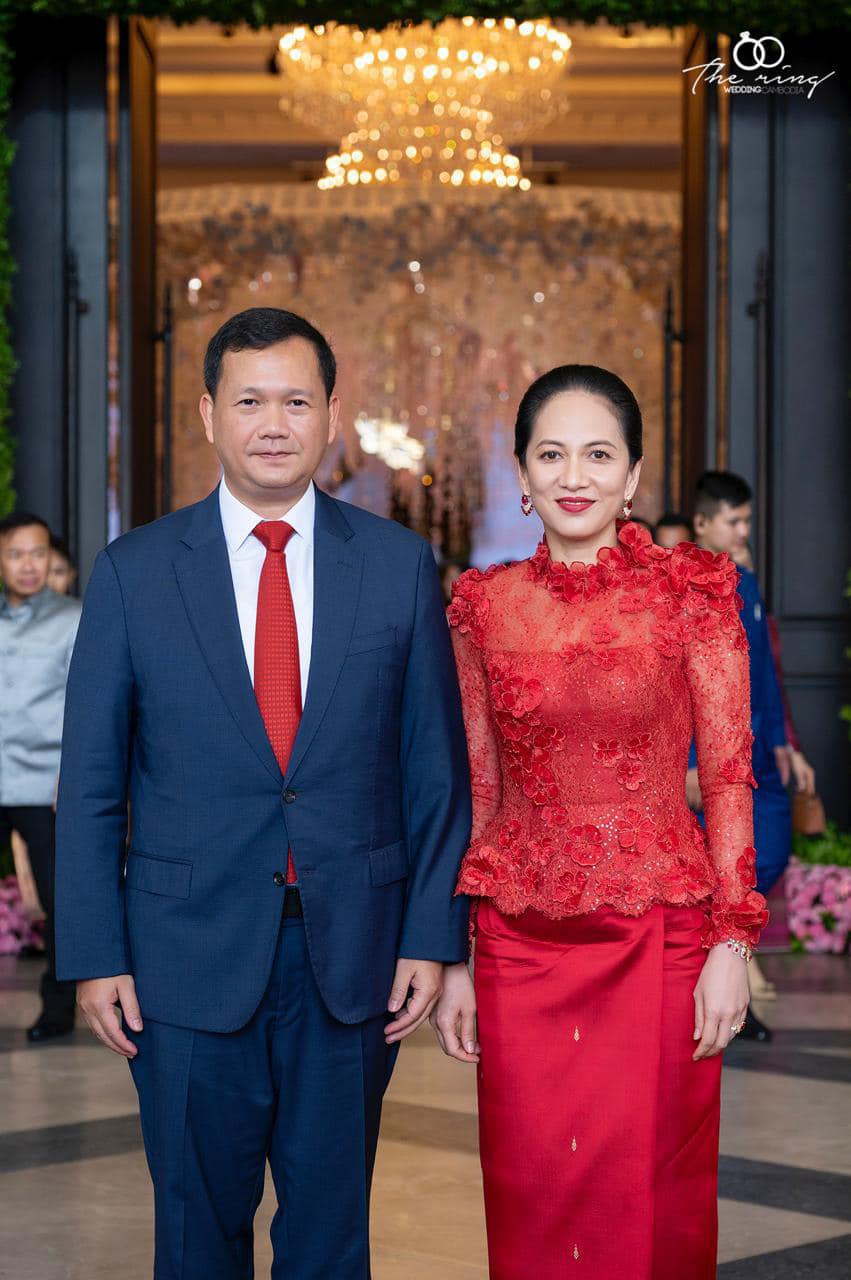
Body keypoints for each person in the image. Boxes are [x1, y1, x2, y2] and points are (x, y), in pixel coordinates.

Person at [55, 307, 472, 1279]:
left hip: (353, 958)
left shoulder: (397, 566)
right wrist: (95, 954)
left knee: (331, 1238)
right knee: (195, 1234)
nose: (273, 424)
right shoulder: (135, 572)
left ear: (332, 415)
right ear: (208, 414)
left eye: (296, 400)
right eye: (249, 401)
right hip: (182, 957)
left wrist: (429, 935)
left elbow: (433, 769)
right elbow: (91, 784)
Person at [430, 365, 766, 1280]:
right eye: (550, 455)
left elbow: (727, 775)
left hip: (660, 934)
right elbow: (477, 789)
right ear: (522, 475)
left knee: (650, 1190)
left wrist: (731, 943)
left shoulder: (692, 592)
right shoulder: (482, 607)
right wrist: (455, 956)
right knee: (533, 1187)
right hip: (516, 941)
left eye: (597, 455)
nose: (573, 476)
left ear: (632, 474)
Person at [690, 471, 813, 1033]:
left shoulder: (747, 583)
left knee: (771, 853)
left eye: (746, 521)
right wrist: (690, 761)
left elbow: (766, 670)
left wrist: (785, 744)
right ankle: (726, 993)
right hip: (712, 754)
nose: (743, 531)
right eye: (733, 521)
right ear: (702, 523)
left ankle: (729, 955)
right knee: (716, 866)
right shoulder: (685, 586)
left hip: (760, 749)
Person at [0, 512, 81, 1040]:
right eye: (15, 554)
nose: (28, 565)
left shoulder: (74, 618)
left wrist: (72, 775)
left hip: (45, 782)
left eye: (38, 553)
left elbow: (87, 705)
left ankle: (58, 1009)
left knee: (59, 900)